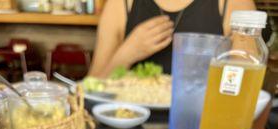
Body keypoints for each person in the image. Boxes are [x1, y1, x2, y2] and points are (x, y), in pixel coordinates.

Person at [89, 0, 256, 77]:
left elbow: (246, 88)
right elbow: (89, 90)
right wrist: (127, 53)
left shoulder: (235, 4)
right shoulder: (120, 4)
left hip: (203, 127)